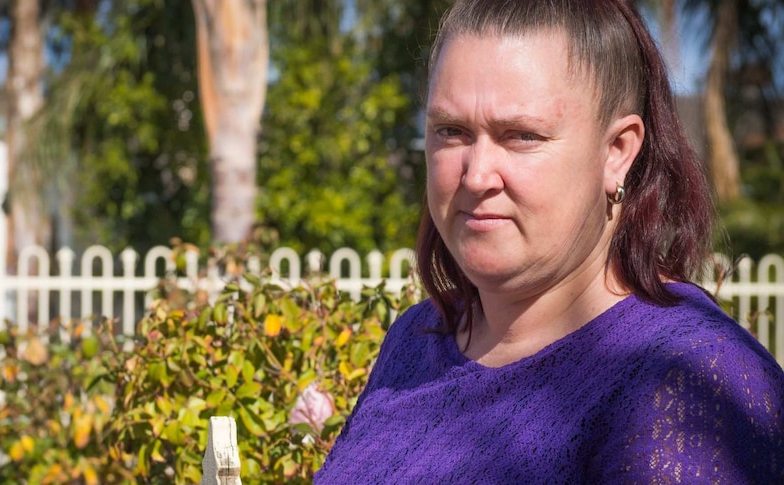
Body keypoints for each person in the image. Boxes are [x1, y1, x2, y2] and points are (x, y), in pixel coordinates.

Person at [314, 0, 784, 483]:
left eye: (521, 136)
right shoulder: (417, 338)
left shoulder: (685, 386)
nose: (475, 176)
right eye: (451, 131)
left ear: (617, 152)